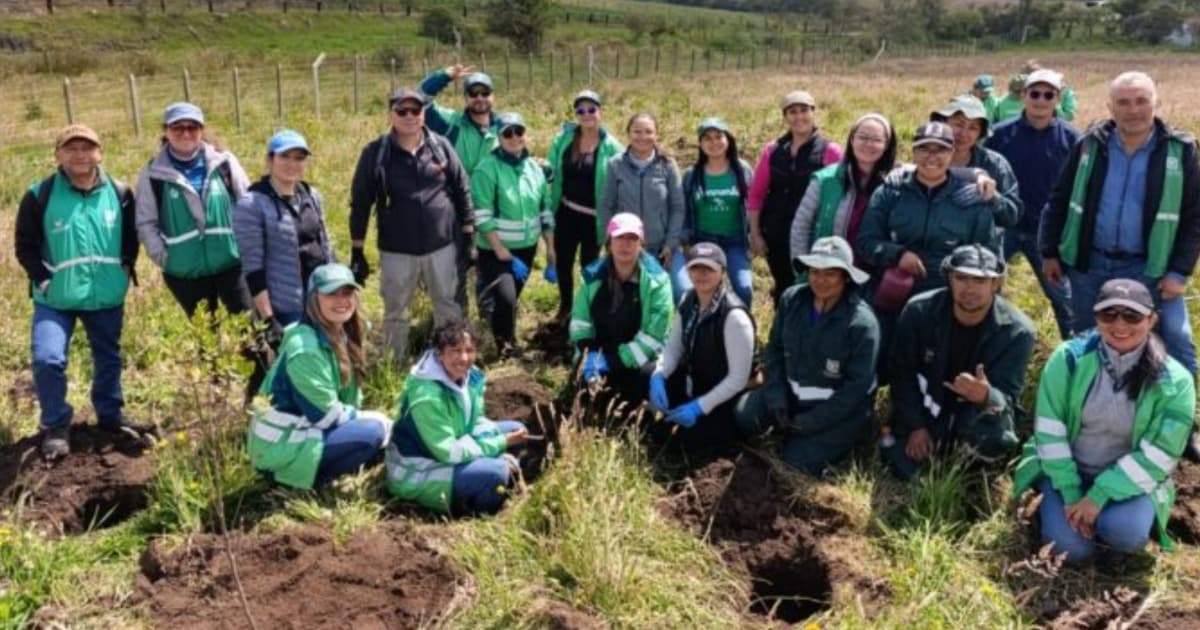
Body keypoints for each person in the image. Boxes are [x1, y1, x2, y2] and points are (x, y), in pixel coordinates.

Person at [1013, 279, 1195, 563]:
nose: (1119, 324)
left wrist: (1097, 497)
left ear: (1152, 320)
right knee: (1071, 552)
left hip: (1132, 480)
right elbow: (1050, 433)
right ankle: (1052, 504)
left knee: (1126, 534)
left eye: (1132, 316)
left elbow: (1160, 454)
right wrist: (1072, 494)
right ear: (1096, 317)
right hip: (1067, 472)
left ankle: (1108, 520)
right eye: (1108, 314)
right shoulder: (1067, 359)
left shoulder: (1177, 382)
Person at [1040, 71, 1200, 376]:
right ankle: (1093, 399)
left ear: (1156, 103)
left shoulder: (1179, 150)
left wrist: (1179, 272)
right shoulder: (1090, 144)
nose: (1133, 110)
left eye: (1141, 101)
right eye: (1123, 102)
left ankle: (1179, 403)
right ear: (1110, 107)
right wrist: (1049, 251)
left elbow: (1194, 217)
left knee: (1176, 340)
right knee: (1090, 340)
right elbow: (1059, 199)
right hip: (1090, 266)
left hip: (1150, 268)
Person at [15, 125, 142, 459]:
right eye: (71, 149)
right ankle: (56, 426)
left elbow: (132, 239)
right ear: (58, 155)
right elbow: (24, 246)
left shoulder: (121, 193)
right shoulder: (39, 195)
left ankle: (111, 417)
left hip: (105, 296)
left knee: (108, 357)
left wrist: (123, 272)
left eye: (87, 148)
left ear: (99, 153)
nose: (80, 155)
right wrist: (44, 281)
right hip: (55, 299)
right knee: (47, 359)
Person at [883, 246, 1036, 479]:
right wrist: (916, 426)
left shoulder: (1018, 332)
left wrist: (986, 396)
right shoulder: (919, 311)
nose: (969, 289)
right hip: (928, 406)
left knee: (982, 459)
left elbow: (1009, 396)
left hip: (974, 413)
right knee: (902, 464)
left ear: (996, 284)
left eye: (980, 280)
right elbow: (901, 373)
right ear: (949, 279)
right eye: (961, 278)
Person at [348, 88, 473, 364]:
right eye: (401, 111)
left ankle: (449, 363)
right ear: (391, 115)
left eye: (415, 110)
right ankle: (396, 365)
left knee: (447, 306)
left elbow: (462, 187)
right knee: (396, 311)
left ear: (423, 114)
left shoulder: (441, 147)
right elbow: (360, 202)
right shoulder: (375, 153)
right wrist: (357, 250)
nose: (409, 116)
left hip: (441, 246)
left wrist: (468, 234)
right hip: (396, 249)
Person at [734, 236, 879, 475]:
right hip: (792, 398)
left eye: (830, 274)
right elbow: (774, 352)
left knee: (795, 462)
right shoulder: (791, 300)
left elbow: (856, 389)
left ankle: (852, 440)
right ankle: (789, 425)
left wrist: (812, 421)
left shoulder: (861, 324)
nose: (820, 280)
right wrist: (777, 397)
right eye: (815, 272)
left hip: (837, 412)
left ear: (846, 277)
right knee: (744, 415)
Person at [247, 264, 390, 489]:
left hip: (300, 432)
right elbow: (325, 416)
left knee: (379, 437)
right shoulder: (304, 349)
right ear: (314, 299)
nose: (341, 300)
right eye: (331, 294)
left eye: (347, 292)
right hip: (279, 451)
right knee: (374, 432)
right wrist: (376, 420)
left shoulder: (342, 332)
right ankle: (293, 482)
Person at [386, 318, 528, 515]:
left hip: (455, 443)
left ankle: (497, 479)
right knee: (495, 472)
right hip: (421, 466)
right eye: (455, 350)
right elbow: (448, 452)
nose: (464, 358)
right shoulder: (427, 395)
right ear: (440, 353)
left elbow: (475, 421)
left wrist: (499, 443)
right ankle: (472, 511)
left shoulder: (471, 377)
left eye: (470, 350)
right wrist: (500, 443)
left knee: (517, 430)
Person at [235, 130, 335, 399]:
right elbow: (253, 267)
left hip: (319, 298)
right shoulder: (252, 204)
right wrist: (269, 319)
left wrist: (337, 286)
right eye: (285, 157)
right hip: (285, 304)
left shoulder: (311, 195)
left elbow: (325, 244)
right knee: (291, 364)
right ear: (270, 160)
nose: (293, 164)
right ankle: (263, 409)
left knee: (320, 358)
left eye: (299, 157)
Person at [857, 122, 1000, 302]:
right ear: (913, 152)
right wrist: (897, 255)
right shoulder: (890, 191)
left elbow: (987, 253)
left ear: (952, 153)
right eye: (924, 149)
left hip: (948, 296)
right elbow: (866, 242)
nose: (932, 157)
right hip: (893, 291)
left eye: (941, 150)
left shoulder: (972, 200)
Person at [986, 69, 1080, 340]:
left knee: (1064, 299)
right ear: (1024, 95)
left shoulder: (1073, 139)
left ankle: (1075, 352)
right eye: (1035, 93)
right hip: (1003, 227)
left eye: (1048, 95)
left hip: (1047, 234)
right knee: (984, 288)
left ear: (1058, 99)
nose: (1041, 100)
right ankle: (991, 347)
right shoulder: (1000, 134)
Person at [135, 102, 252, 317]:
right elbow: (145, 222)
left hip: (232, 264)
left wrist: (243, 245)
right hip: (186, 272)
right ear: (166, 131)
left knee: (250, 327)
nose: (186, 133)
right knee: (206, 332)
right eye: (177, 127)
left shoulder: (224, 162)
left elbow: (248, 205)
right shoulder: (152, 173)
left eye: (192, 127)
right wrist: (166, 258)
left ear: (202, 129)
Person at [649, 242, 755, 456]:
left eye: (709, 269)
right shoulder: (688, 300)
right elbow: (673, 349)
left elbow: (738, 379)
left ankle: (725, 436)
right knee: (645, 375)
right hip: (695, 382)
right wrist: (659, 375)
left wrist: (700, 406)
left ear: (722, 272)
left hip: (722, 398)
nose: (702, 274)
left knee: (668, 441)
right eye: (696, 268)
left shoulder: (734, 317)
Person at [747, 90, 844, 306]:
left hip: (812, 235)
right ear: (785, 117)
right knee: (783, 284)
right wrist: (755, 233)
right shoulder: (773, 151)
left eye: (804, 110)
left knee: (811, 287)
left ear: (813, 113)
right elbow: (756, 195)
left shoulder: (830, 151)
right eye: (792, 112)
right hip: (776, 233)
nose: (799, 116)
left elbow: (839, 197)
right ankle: (783, 321)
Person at [470, 112, 554, 355]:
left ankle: (504, 338)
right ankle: (506, 349)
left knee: (511, 299)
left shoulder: (535, 169)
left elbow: (545, 210)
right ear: (498, 137)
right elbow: (482, 215)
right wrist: (500, 250)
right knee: (505, 299)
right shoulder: (486, 169)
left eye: (519, 131)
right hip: (495, 250)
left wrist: (550, 250)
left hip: (526, 249)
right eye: (507, 133)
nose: (514, 137)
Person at [419, 64, 500, 312]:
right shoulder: (450, 124)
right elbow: (420, 100)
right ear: (465, 97)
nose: (479, 98)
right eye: (473, 93)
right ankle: (457, 320)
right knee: (455, 266)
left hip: (492, 210)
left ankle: (489, 317)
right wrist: (443, 76)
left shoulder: (504, 129)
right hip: (454, 209)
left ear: (493, 96)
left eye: (485, 93)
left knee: (489, 265)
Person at [570, 213, 673, 404]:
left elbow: (653, 336)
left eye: (632, 238)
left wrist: (612, 362)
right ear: (609, 242)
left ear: (641, 243)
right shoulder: (591, 277)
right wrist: (589, 355)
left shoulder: (659, 282)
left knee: (643, 381)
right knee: (585, 391)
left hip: (639, 358)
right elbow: (580, 322)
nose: (625, 244)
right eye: (619, 237)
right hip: (599, 354)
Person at [547, 90, 624, 323]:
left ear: (601, 112)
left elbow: (620, 184)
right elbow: (552, 170)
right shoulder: (563, 140)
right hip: (566, 212)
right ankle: (565, 306)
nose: (586, 114)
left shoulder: (613, 147)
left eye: (592, 109)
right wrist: (544, 170)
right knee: (563, 263)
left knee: (589, 266)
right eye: (580, 110)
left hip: (594, 218)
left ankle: (586, 309)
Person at [597, 113, 686, 303]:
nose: (642, 137)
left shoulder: (668, 164)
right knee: (634, 298)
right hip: (628, 246)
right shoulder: (615, 164)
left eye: (648, 132)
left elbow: (678, 207)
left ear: (657, 135)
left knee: (682, 291)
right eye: (637, 131)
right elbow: (606, 206)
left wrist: (670, 243)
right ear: (628, 134)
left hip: (663, 247)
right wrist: (610, 241)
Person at [790, 112, 897, 269]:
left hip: (877, 272)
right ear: (852, 139)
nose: (868, 144)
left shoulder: (896, 184)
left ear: (887, 145)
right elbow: (801, 226)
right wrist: (802, 269)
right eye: (862, 137)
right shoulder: (825, 179)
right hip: (830, 271)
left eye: (877, 140)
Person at [679, 118, 755, 305]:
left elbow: (753, 204)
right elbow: (684, 210)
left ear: (728, 140)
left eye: (718, 137)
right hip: (704, 241)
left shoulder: (741, 170)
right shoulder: (692, 175)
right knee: (704, 292)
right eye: (707, 138)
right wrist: (685, 242)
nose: (714, 143)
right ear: (700, 144)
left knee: (744, 289)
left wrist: (754, 235)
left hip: (735, 241)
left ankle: (739, 322)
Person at [930, 95, 1023, 233]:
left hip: (979, 243)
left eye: (973, 128)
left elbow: (1011, 216)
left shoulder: (995, 164)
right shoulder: (928, 158)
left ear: (980, 134)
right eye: (959, 124)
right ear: (944, 123)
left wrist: (993, 198)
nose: (963, 133)